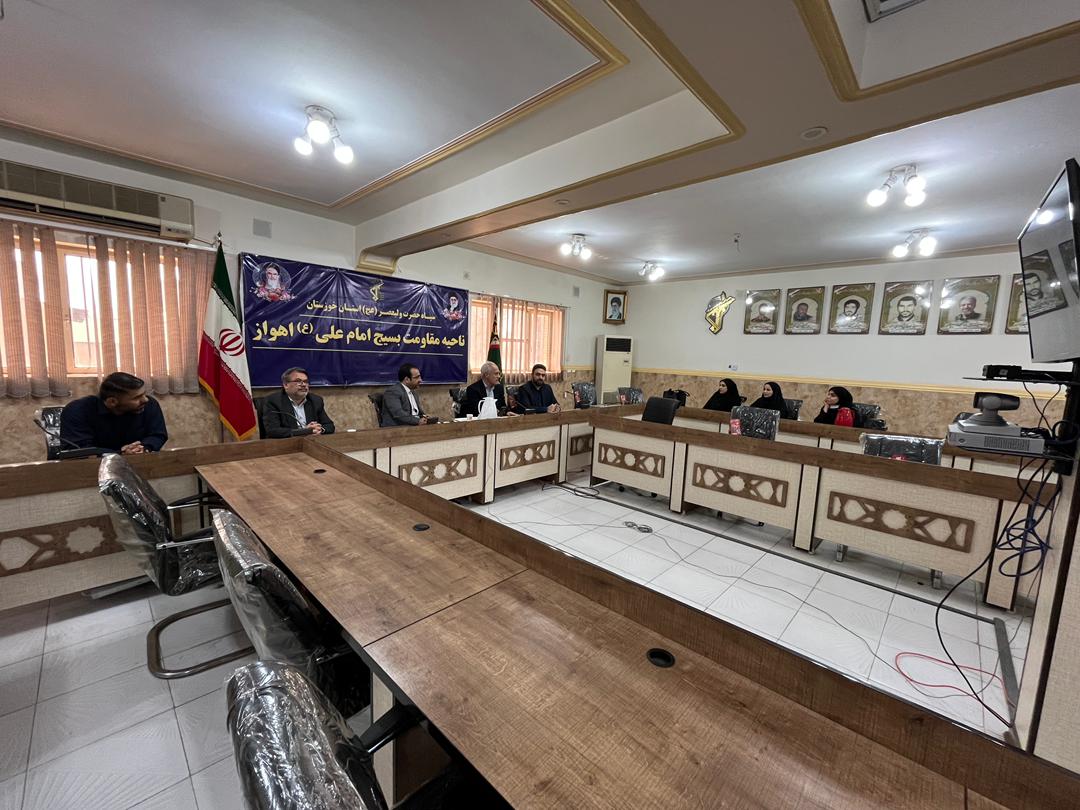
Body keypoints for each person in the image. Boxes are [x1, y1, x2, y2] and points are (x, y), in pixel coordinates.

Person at [60, 372, 168, 454]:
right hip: (92, 468)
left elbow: (158, 434)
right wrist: (120, 453)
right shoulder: (78, 410)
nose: (145, 400)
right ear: (112, 402)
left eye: (144, 394)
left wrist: (144, 447)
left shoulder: (149, 405)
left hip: (138, 464)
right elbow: (79, 449)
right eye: (137, 397)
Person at [261, 367, 335, 438]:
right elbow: (272, 431)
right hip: (286, 444)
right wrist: (304, 431)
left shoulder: (315, 400)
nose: (304, 385)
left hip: (311, 442)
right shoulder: (273, 401)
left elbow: (329, 425)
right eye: (298, 381)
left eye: (306, 381)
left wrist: (320, 430)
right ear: (286, 385)